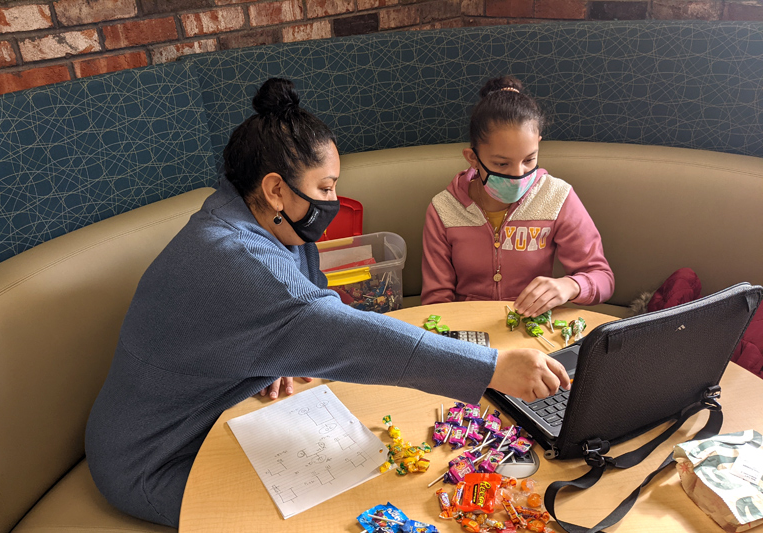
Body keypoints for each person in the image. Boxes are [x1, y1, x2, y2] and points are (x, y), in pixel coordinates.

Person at [85, 78, 569, 527]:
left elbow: (264, 319)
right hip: (154, 461)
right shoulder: (234, 256)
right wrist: (491, 367)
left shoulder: (255, 218)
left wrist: (269, 350)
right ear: (276, 189)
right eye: (326, 187)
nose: (334, 200)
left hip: (209, 419)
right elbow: (338, 327)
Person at [421, 75, 614, 317]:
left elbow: (602, 279)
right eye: (502, 164)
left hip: (532, 328)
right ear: (473, 158)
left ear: (539, 145)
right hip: (469, 334)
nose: (518, 175)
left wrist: (570, 285)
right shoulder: (444, 209)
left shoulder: (557, 197)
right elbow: (436, 302)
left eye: (529, 160)